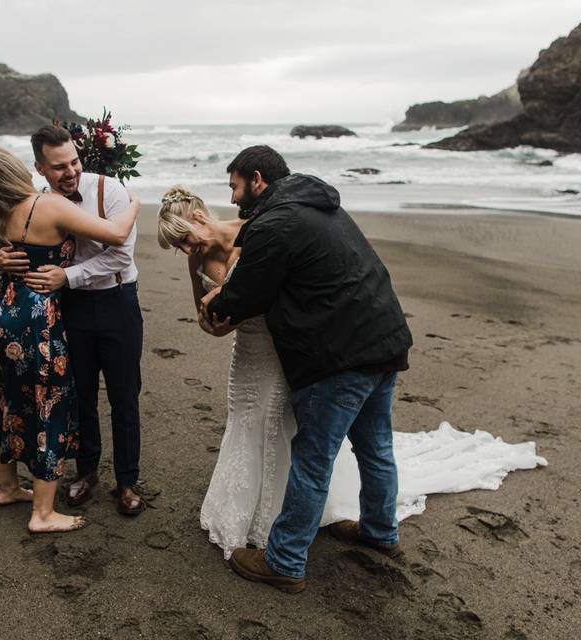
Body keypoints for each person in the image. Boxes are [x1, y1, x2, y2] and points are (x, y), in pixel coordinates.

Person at [158, 183, 547, 574]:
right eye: (180, 248)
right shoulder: (226, 250)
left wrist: (231, 299)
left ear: (199, 217)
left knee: (308, 448)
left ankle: (286, 558)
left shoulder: (261, 233)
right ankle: (375, 530)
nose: (187, 250)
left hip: (298, 354)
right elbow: (210, 318)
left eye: (186, 240)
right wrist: (218, 316)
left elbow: (278, 292)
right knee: (283, 432)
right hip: (289, 351)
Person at [0, 145, 139, 533]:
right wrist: (133, 203)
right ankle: (43, 513)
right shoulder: (45, 205)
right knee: (50, 406)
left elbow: (5, 256)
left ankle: (8, 488)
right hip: (35, 321)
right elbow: (115, 233)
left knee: (2, 401)